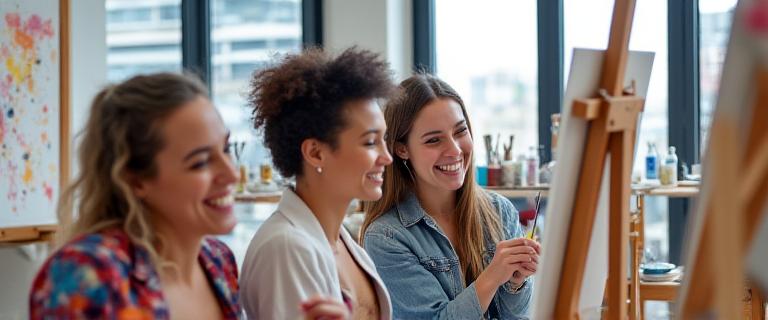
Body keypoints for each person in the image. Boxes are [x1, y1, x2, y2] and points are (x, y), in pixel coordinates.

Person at [29, 73, 241, 319]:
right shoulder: (87, 274)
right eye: (201, 162)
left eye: (226, 149)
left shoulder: (218, 261)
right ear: (136, 180)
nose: (232, 174)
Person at [361, 73, 540, 319]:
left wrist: (516, 283)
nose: (455, 150)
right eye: (434, 140)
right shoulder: (386, 237)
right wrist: (493, 276)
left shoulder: (500, 211)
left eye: (460, 131)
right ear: (402, 149)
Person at [239, 47, 395, 319]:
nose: (387, 157)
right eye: (370, 142)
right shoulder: (287, 249)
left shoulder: (343, 242)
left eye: (384, 140)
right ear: (315, 153)